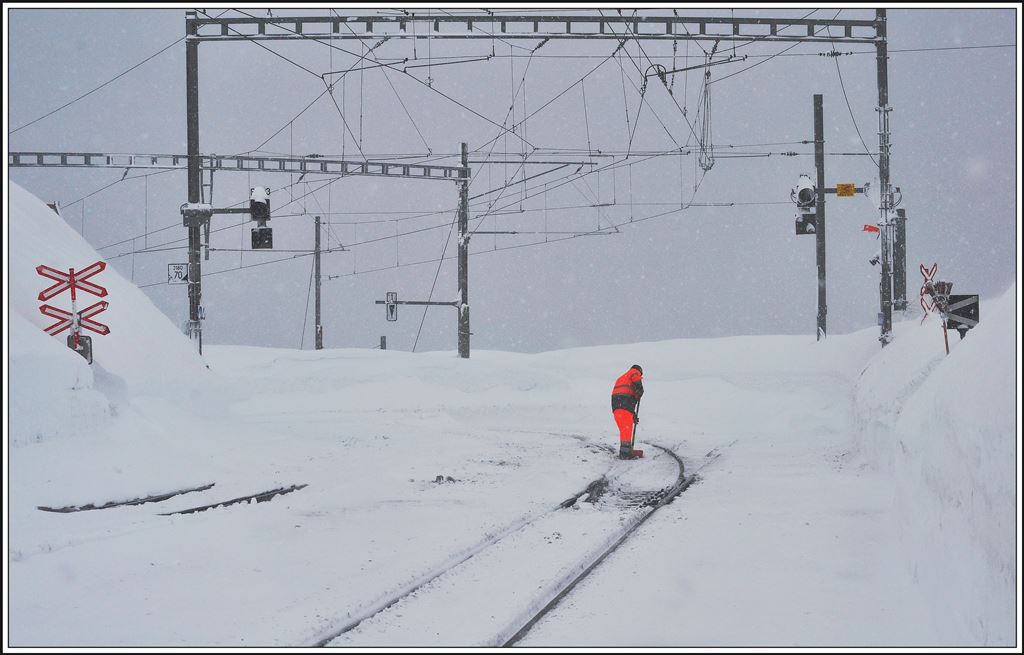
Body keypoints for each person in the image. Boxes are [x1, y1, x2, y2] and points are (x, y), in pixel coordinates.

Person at [611, 364, 644, 459]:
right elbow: (635, 376)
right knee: (626, 428)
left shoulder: (621, 378)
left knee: (624, 428)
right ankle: (625, 454)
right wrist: (640, 388)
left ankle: (625, 450)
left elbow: (625, 395)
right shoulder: (634, 372)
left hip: (617, 405)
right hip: (624, 403)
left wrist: (632, 414)